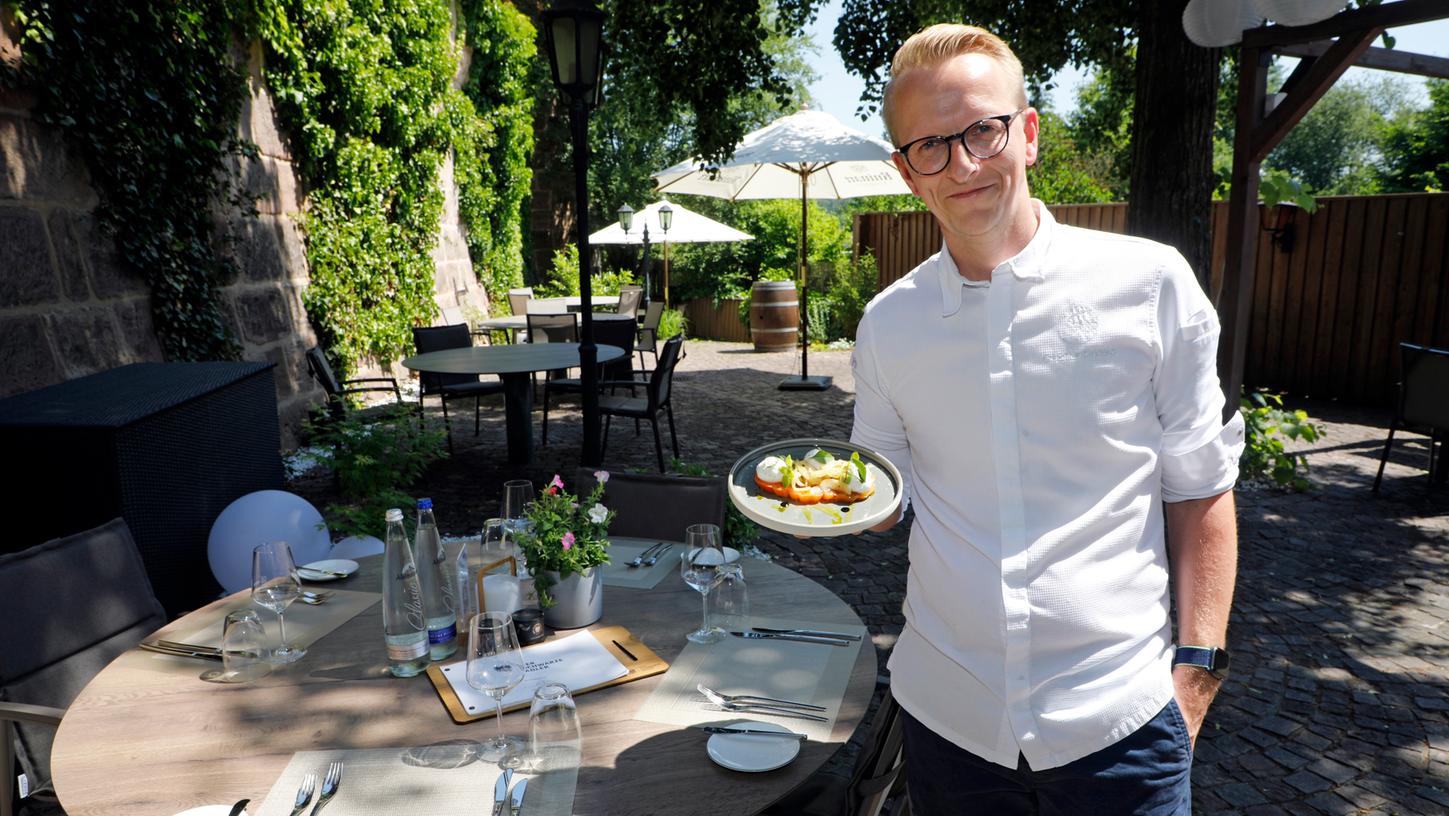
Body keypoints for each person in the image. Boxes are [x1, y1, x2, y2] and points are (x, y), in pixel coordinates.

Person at [851, 23, 1244, 814]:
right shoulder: (887, 324)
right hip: (948, 721)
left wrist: (1194, 678)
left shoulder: (1149, 283)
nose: (960, 164)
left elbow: (1200, 492)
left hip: (1121, 724)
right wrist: (825, 503)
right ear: (905, 173)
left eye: (981, 131)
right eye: (929, 146)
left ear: (1026, 134)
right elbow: (881, 495)